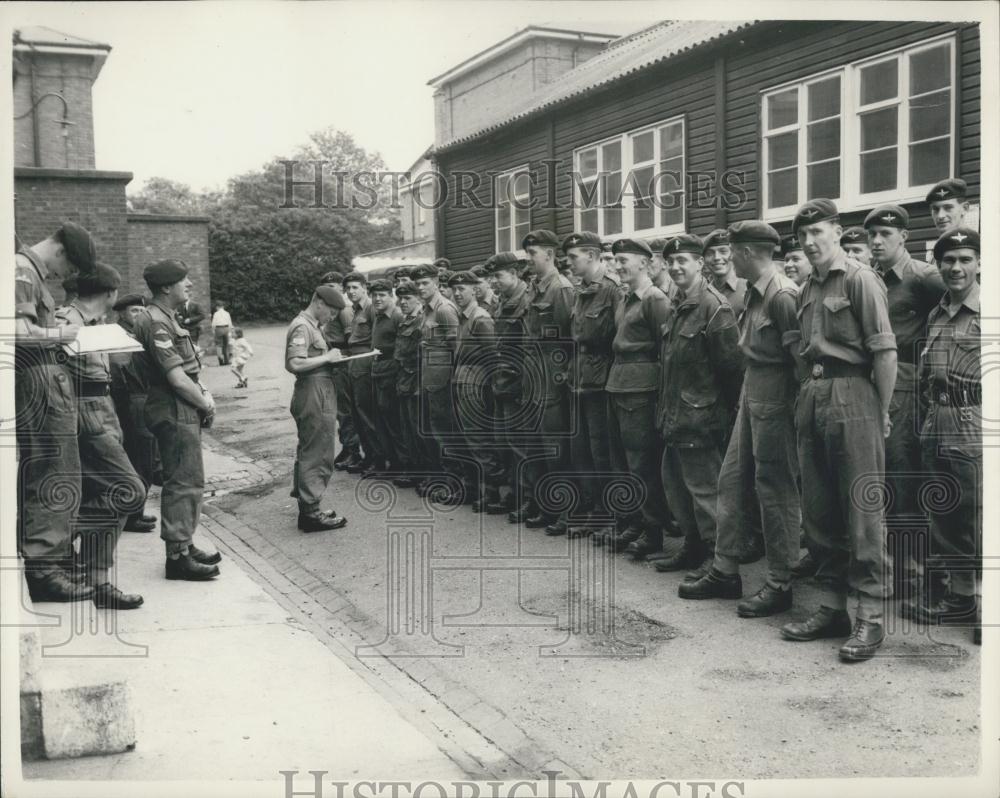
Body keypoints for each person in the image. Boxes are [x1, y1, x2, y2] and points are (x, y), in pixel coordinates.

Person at [779, 198, 896, 663]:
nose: (809, 242)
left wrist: (880, 411)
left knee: (863, 513)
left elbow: (884, 353)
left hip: (854, 397)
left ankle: (870, 616)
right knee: (820, 511)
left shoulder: (860, 279)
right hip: (814, 395)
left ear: (836, 230)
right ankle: (832, 608)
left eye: (818, 232)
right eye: (802, 236)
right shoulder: (807, 286)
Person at [678, 222, 800, 616]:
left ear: (748, 253)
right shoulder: (755, 294)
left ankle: (780, 582)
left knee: (774, 489)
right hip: (753, 390)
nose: (727, 258)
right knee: (729, 480)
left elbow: (799, 362)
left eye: (733, 251)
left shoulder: (782, 296)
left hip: (776, 396)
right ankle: (725, 570)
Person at [901, 228, 981, 645]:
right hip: (938, 422)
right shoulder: (937, 313)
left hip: (976, 421)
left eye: (965, 259)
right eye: (948, 260)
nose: (956, 268)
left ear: (979, 263)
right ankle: (962, 599)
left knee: (980, 516)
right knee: (948, 516)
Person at [865, 205, 946, 598]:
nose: (876, 241)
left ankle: (918, 575)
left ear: (903, 237)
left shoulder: (923, 277)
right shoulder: (872, 279)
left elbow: (959, 312)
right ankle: (901, 570)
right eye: (871, 236)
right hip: (878, 386)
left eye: (884, 234)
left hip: (909, 388)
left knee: (904, 482)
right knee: (884, 484)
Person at [15, 221, 97, 602]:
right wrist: (61, 335)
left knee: (63, 472)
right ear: (61, 250)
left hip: (46, 379)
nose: (65, 277)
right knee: (52, 473)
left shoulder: (29, 272)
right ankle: (45, 569)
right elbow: (16, 332)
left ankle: (55, 560)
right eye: (71, 269)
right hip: (38, 380)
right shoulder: (23, 270)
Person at [56, 263, 145, 609]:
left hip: (101, 406)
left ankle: (97, 580)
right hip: (84, 409)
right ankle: (54, 536)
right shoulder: (69, 321)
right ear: (110, 294)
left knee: (103, 491)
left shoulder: (95, 324)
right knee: (129, 491)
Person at [654, 234, 742, 576]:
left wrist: (720, 416)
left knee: (707, 494)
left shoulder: (714, 306)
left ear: (699, 264)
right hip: (675, 416)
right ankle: (692, 547)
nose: (676, 267)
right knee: (676, 487)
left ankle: (718, 560)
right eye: (671, 262)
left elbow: (732, 370)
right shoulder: (677, 303)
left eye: (683, 261)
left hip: (701, 418)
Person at [134, 259, 222, 580]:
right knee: (183, 480)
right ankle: (177, 556)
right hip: (174, 407)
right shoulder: (157, 322)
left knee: (188, 478)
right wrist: (206, 405)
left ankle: (184, 543)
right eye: (183, 281)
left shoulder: (166, 317)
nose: (189, 285)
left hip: (179, 406)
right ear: (166, 287)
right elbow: (177, 378)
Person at [602, 238, 672, 556]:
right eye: (615, 261)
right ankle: (633, 522)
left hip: (642, 389)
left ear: (644, 263)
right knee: (622, 462)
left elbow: (665, 351)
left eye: (623, 260)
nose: (617, 266)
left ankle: (652, 530)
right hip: (619, 384)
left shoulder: (654, 299)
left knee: (642, 462)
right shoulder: (626, 298)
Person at [561, 231, 621, 540]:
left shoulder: (612, 292)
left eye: (573, 257)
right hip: (579, 379)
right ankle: (590, 509)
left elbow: (619, 340)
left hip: (601, 381)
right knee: (581, 450)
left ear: (593, 256)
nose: (568, 262)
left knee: (603, 452)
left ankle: (609, 514)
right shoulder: (578, 291)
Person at [519, 230, 575, 531]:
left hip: (552, 376)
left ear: (550, 255)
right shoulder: (534, 288)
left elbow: (569, 337)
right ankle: (545, 507)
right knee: (535, 445)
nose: (528, 259)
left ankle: (566, 510)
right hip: (532, 374)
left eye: (533, 253)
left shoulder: (561, 288)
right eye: (527, 254)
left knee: (556, 446)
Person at [285, 286, 350, 532]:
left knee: (313, 448)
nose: (332, 317)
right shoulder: (303, 326)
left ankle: (310, 506)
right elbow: (294, 362)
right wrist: (327, 358)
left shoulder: (311, 325)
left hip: (318, 388)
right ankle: (311, 513)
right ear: (319, 303)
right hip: (313, 391)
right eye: (331, 312)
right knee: (317, 451)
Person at [485, 253, 532, 517]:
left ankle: (527, 497)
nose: (494, 282)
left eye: (498, 276)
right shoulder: (503, 302)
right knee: (504, 441)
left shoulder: (526, 300)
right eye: (492, 277)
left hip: (518, 382)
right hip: (502, 381)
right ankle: (514, 491)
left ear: (514, 274)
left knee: (520, 444)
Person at [450, 270, 502, 508]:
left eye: (463, 289)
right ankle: (479, 489)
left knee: (480, 439)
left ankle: (491, 492)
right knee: (471, 439)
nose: (458, 293)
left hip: (476, 384)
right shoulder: (464, 318)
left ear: (474, 290)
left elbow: (493, 357)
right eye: (455, 289)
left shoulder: (480, 318)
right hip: (464, 381)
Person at [110, 293, 161, 533]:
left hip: (141, 398)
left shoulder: (136, 333)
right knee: (140, 459)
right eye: (133, 311)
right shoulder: (119, 336)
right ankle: (131, 515)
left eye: (141, 311)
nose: (139, 315)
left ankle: (135, 511)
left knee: (144, 459)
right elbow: (118, 377)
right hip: (133, 401)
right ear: (121, 313)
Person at [412, 263, 463, 502]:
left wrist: (452, 382)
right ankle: (439, 478)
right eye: (418, 284)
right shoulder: (426, 309)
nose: (421, 287)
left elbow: (457, 349)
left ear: (437, 283)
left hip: (443, 381)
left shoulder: (444, 309)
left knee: (446, 433)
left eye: (425, 283)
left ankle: (454, 483)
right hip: (429, 378)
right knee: (433, 431)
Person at [320, 271, 362, 472]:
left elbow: (351, 339)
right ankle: (347, 447)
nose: (332, 291)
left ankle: (353, 450)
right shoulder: (331, 308)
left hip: (343, 361)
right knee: (339, 409)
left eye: (335, 287)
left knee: (345, 409)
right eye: (327, 288)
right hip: (333, 360)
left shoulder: (344, 310)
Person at [343, 271, 383, 474]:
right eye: (348, 288)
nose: (351, 291)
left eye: (355, 287)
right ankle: (368, 456)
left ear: (364, 288)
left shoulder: (370, 308)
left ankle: (377, 459)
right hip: (354, 362)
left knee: (367, 412)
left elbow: (377, 339)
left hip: (365, 361)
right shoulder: (355, 309)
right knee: (358, 413)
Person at [392, 282, 426, 488]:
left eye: (408, 299)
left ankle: (424, 472)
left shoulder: (421, 321)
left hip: (416, 383)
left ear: (418, 299)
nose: (403, 302)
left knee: (418, 430)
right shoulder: (405, 321)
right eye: (401, 299)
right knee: (406, 429)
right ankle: (413, 469)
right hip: (404, 381)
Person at [369, 279, 403, 472]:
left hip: (391, 375)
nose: (377, 299)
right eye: (374, 295)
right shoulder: (378, 316)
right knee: (382, 421)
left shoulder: (397, 316)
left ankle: (401, 463)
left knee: (394, 421)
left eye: (382, 295)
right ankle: (392, 461)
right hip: (379, 373)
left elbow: (400, 350)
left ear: (391, 296)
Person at [703, 229, 748, 317]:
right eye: (710, 253)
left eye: (723, 252)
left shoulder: (747, 289)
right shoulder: (702, 291)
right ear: (704, 259)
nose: (716, 257)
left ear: (733, 254)